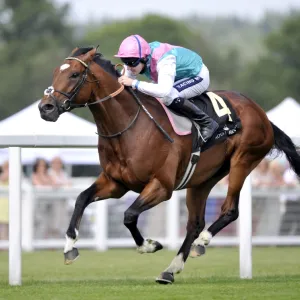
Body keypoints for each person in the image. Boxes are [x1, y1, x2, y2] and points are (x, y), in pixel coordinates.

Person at [115, 34, 219, 144]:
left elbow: (163, 90)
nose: (129, 66)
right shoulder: (136, 57)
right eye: (125, 61)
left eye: (131, 62)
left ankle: (207, 123)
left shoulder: (165, 60)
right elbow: (127, 82)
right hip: (175, 76)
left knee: (167, 96)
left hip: (197, 75)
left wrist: (134, 83)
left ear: (144, 58)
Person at [0, 161, 9, 240]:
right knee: (3, 234)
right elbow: (3, 178)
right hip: (3, 209)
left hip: (10, 209)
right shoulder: (3, 175)